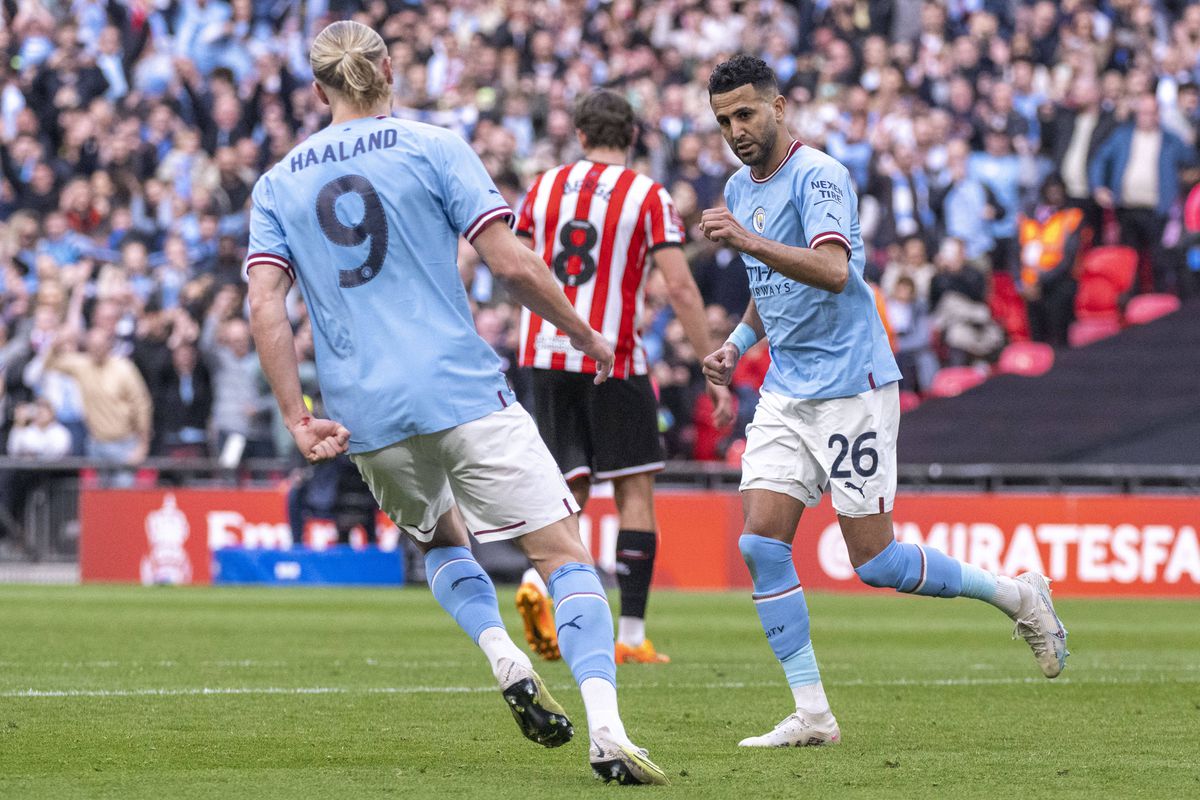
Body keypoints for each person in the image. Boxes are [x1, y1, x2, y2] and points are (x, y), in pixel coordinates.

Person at [244, 21, 666, 785]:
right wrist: (586, 334)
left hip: (364, 412)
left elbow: (265, 305)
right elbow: (511, 264)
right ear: (385, 69)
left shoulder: (278, 182)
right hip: (460, 387)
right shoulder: (434, 146)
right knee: (562, 554)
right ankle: (607, 729)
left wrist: (296, 415)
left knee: (442, 542)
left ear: (318, 89)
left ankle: (503, 656)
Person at [698, 55, 1069, 749]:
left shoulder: (821, 175)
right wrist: (740, 343)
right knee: (759, 543)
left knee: (876, 563)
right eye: (723, 120)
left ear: (779, 108)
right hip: (786, 388)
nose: (736, 130)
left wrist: (748, 238)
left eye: (746, 113)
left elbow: (834, 269)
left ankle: (1018, 595)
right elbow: (765, 282)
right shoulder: (737, 187)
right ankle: (812, 714)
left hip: (851, 388)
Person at [511, 89, 733, 666]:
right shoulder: (648, 195)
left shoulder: (544, 187)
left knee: (570, 485)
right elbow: (681, 286)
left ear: (579, 136)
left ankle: (540, 586)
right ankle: (630, 634)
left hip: (543, 351)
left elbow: (514, 263)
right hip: (615, 356)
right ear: (632, 139)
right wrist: (711, 369)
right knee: (634, 491)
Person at [1018, 176, 1084, 346]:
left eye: (1058, 191)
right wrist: (1022, 282)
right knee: (1037, 339)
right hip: (1031, 286)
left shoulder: (1071, 217)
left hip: (1058, 283)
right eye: (1051, 191)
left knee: (1058, 338)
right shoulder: (1029, 218)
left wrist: (1042, 279)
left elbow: (1068, 258)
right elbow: (1016, 251)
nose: (1055, 195)